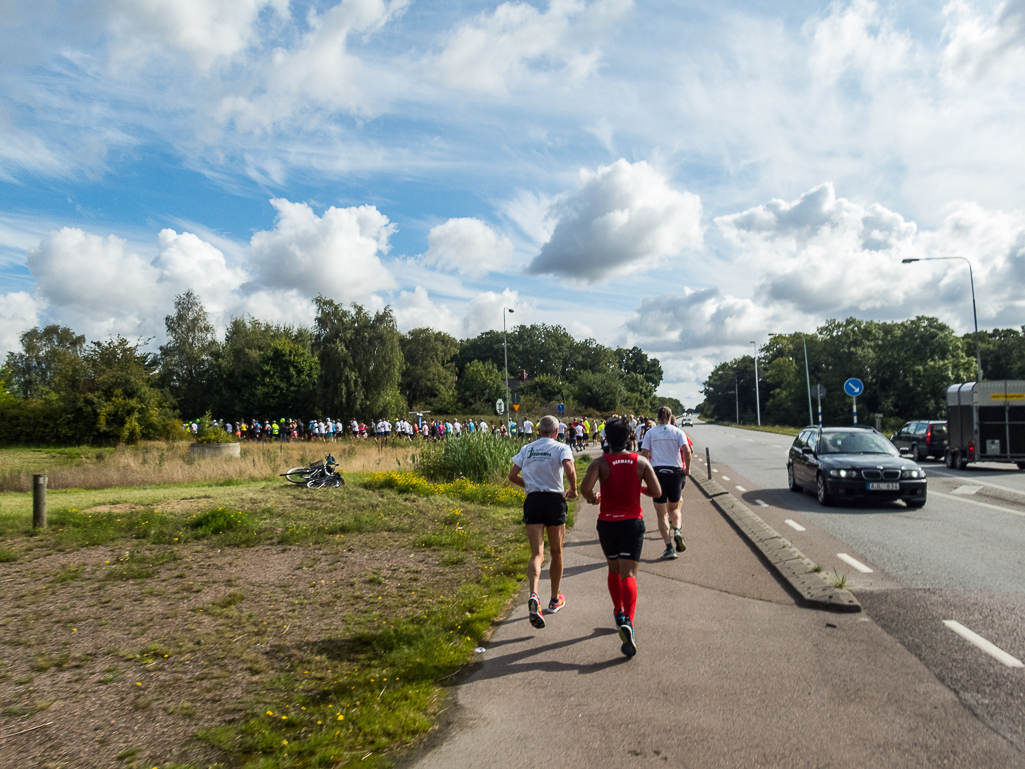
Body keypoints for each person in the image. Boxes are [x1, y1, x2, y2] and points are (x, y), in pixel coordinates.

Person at [580, 417, 660, 657]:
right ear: (628, 437)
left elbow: (586, 488)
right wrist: (638, 487)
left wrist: (594, 498)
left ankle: (617, 611)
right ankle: (629, 621)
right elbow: (657, 491)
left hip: (607, 524)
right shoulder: (641, 462)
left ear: (606, 439)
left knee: (613, 569)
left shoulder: (600, 463)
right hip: (632, 523)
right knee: (630, 574)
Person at [508, 415, 578, 629]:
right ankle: (554, 599)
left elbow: (512, 475)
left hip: (534, 500)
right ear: (557, 432)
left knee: (537, 553)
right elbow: (569, 469)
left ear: (538, 430)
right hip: (554, 499)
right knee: (556, 552)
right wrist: (573, 489)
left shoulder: (527, 449)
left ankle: (534, 595)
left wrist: (528, 484)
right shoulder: (561, 448)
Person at [640, 407, 693, 560]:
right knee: (674, 508)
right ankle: (677, 530)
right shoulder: (677, 432)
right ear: (671, 418)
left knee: (661, 512)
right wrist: (687, 469)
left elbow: (644, 454)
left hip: (657, 473)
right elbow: (687, 450)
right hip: (675, 473)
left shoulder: (651, 433)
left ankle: (669, 547)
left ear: (657, 418)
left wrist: (644, 474)